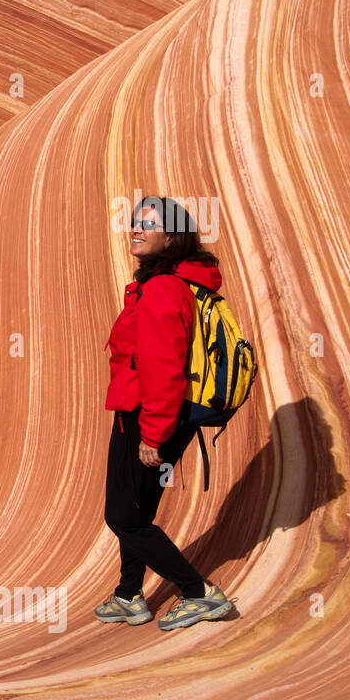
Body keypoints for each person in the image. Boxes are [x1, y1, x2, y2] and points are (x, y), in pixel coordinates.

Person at [95, 196, 234, 630]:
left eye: (149, 224)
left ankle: (198, 592)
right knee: (139, 512)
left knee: (122, 518)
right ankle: (128, 595)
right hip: (163, 416)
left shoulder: (162, 289)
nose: (136, 228)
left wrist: (152, 434)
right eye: (135, 221)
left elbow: (163, 367)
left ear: (171, 237)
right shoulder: (175, 283)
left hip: (146, 418)